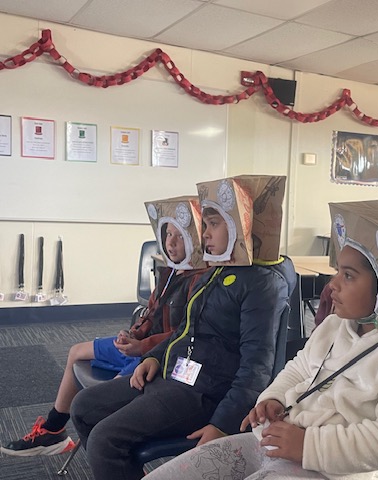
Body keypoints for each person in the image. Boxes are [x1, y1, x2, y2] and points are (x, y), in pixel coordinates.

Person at [144, 200, 378, 480]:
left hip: (332, 471)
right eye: (337, 272)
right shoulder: (335, 326)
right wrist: (273, 399)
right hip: (278, 443)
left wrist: (308, 445)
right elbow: (299, 369)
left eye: (349, 276)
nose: (332, 285)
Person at [69, 175, 296, 480]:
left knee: (104, 440)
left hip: (206, 393)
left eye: (213, 225)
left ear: (243, 226)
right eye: (205, 225)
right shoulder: (217, 269)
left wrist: (223, 424)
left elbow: (258, 366)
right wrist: (155, 357)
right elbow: (185, 330)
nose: (204, 234)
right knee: (83, 405)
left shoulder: (263, 283)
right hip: (176, 374)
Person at [1, 215, 205, 457]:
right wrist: (132, 333)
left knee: (107, 396)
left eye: (180, 236)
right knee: (76, 352)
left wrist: (141, 346)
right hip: (139, 344)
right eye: (169, 234)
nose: (171, 242)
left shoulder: (200, 280)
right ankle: (53, 430)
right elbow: (151, 312)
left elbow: (183, 334)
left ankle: (106, 452)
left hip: (157, 355)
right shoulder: (169, 272)